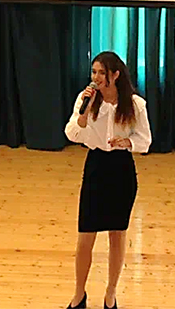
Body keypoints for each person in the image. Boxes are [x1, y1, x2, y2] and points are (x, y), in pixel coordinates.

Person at [64, 51, 152, 309]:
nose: (96, 77)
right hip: (96, 166)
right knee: (85, 236)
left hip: (122, 170)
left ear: (115, 75)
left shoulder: (135, 104)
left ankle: (110, 294)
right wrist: (84, 113)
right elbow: (72, 133)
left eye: (102, 73)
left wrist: (128, 143)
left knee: (117, 234)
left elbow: (145, 141)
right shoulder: (86, 99)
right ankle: (79, 295)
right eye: (94, 72)